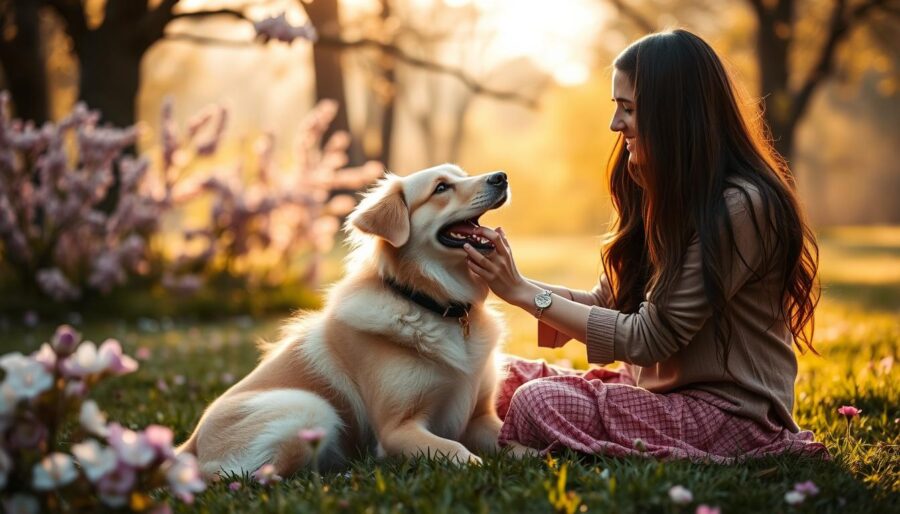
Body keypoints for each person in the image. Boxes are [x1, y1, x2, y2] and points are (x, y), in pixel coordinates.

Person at [462, 29, 828, 461]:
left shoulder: (743, 206)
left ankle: (512, 444)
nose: (616, 124)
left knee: (536, 401)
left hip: (726, 416)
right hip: (649, 394)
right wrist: (508, 279)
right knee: (493, 379)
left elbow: (650, 339)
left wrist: (524, 293)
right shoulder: (659, 184)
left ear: (674, 114)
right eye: (616, 108)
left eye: (629, 109)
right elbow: (608, 301)